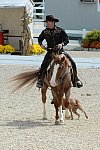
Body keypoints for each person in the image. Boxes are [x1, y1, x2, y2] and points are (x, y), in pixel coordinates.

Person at [36, 15, 83, 89]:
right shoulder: (45, 32)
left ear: (53, 22)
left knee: (73, 63)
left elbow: (66, 40)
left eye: (49, 22)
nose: (48, 23)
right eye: (47, 22)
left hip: (60, 52)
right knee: (44, 64)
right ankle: (40, 80)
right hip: (50, 52)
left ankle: (76, 79)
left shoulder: (60, 30)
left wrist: (61, 44)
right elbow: (40, 39)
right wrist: (41, 45)